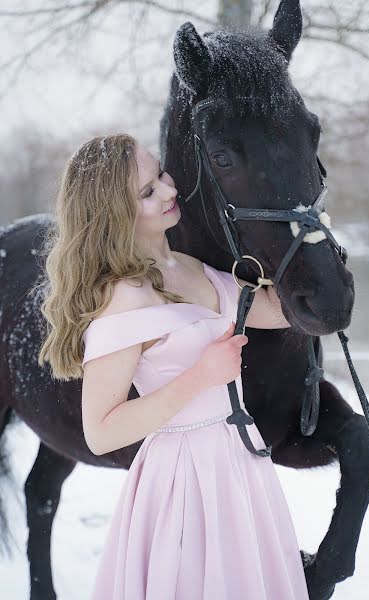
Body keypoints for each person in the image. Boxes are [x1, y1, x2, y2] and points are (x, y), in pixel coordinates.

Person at [39, 134, 309, 599]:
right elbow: (101, 432)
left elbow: (281, 311)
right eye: (147, 192)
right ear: (113, 214)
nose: (168, 190)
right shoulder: (121, 297)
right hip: (183, 479)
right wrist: (200, 377)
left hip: (238, 463)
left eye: (160, 174)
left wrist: (307, 241)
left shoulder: (187, 266)